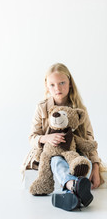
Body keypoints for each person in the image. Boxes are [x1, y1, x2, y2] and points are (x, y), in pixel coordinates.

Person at [22, 63, 102, 211]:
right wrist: (46, 139)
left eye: (62, 83)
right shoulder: (42, 108)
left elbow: (89, 138)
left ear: (70, 83)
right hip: (52, 153)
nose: (57, 88)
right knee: (56, 161)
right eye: (52, 85)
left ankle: (71, 196)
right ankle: (73, 187)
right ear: (47, 86)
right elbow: (32, 137)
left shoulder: (79, 110)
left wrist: (96, 167)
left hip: (74, 153)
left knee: (85, 163)